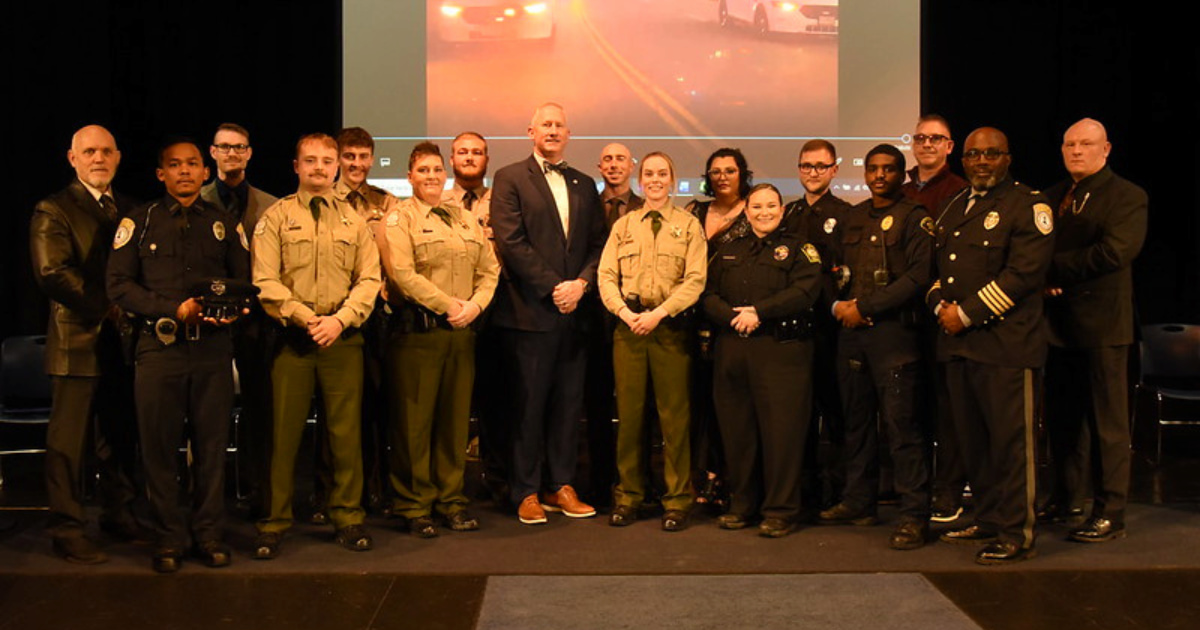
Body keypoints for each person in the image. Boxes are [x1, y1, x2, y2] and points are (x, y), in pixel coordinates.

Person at [106, 138, 249, 573]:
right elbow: (119, 285)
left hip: (211, 351)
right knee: (160, 450)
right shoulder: (139, 221)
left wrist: (233, 312)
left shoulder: (224, 224)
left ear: (205, 172)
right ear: (160, 174)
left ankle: (208, 534)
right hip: (160, 350)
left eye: (192, 165)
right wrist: (172, 309)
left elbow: (243, 282)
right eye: (174, 165)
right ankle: (169, 537)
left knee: (210, 449)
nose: (185, 171)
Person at [250, 133, 381, 558]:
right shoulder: (275, 218)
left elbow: (369, 279)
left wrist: (339, 320)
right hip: (294, 338)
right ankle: (274, 522)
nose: (320, 168)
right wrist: (307, 318)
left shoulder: (354, 222)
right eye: (311, 161)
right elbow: (265, 281)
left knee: (345, 435)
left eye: (328, 161)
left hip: (342, 339)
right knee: (284, 435)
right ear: (296, 166)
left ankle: (348, 517)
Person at [929, 127, 1054, 565]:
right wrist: (940, 306)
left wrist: (964, 314)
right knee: (973, 443)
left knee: (1009, 443)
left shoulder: (1029, 205)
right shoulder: (953, 206)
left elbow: (1023, 275)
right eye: (974, 155)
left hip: (1006, 346)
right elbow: (937, 270)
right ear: (963, 160)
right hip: (959, 347)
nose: (982, 162)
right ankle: (986, 517)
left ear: (1007, 158)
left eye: (991, 154)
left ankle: (1016, 531)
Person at [487, 102, 607, 525]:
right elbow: (510, 240)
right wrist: (553, 287)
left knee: (567, 405)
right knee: (527, 406)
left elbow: (597, 244)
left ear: (568, 134)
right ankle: (525, 490)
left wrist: (581, 285)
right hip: (529, 314)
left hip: (575, 314)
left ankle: (561, 485)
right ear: (530, 131)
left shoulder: (584, 183)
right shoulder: (510, 178)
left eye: (559, 125)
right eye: (546, 125)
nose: (553, 131)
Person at [31, 124, 143, 564]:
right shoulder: (53, 209)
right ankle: (67, 527)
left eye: (106, 151)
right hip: (76, 343)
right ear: (72, 158)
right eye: (89, 151)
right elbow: (52, 273)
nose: (99, 158)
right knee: (68, 444)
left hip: (121, 345)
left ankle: (119, 513)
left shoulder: (131, 208)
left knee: (119, 436)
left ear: (118, 157)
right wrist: (113, 306)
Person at [819, 144, 934, 550]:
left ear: (902, 174)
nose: (880, 175)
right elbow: (830, 269)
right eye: (873, 169)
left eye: (888, 169)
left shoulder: (915, 219)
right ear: (865, 173)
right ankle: (859, 500)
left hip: (895, 336)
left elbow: (919, 277)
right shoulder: (851, 216)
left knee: (903, 429)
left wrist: (865, 307)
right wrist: (837, 305)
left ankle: (913, 516)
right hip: (851, 334)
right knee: (856, 423)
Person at [383, 142, 500, 537]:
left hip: (460, 334)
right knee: (415, 425)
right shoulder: (400, 219)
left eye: (436, 170)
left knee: (453, 425)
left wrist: (475, 307)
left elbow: (489, 270)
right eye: (423, 170)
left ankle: (450, 500)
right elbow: (402, 273)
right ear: (410, 177)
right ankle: (414, 505)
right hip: (420, 335)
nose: (431, 176)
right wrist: (449, 304)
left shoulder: (464, 219)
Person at [1041, 118, 1147, 543]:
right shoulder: (1051, 196)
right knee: (1063, 420)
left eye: (1086, 144)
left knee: (1107, 425)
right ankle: (1067, 499)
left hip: (1103, 327)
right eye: (1069, 144)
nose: (1076, 151)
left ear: (1106, 150)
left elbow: (1115, 252)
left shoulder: (1127, 196)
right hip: (1056, 325)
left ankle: (1110, 511)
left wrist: (1051, 269)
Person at [704, 183, 822, 537]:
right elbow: (707, 293)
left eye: (771, 206)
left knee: (781, 435)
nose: (764, 212)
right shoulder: (728, 249)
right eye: (757, 206)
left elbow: (805, 291)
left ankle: (781, 510)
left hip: (781, 352)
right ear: (747, 210)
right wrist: (731, 316)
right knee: (738, 433)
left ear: (782, 210)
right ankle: (742, 505)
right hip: (733, 350)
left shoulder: (800, 249)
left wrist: (760, 312)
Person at [598, 152, 706, 531]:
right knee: (629, 419)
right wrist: (626, 315)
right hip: (629, 329)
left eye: (663, 173)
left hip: (669, 329)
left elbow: (695, 280)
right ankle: (629, 496)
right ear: (640, 180)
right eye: (649, 174)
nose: (656, 180)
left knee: (674, 420)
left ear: (673, 180)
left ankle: (677, 499)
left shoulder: (690, 225)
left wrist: (659, 314)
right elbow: (606, 276)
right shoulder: (624, 226)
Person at [200, 122, 279, 517]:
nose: (232, 154)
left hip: (257, 322)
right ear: (212, 153)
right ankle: (208, 496)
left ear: (249, 153)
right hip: (207, 320)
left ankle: (256, 491)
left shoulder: (271, 205)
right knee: (206, 410)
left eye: (240, 148)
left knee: (259, 410)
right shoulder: (193, 200)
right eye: (225, 147)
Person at [902, 114, 971, 524]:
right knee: (910, 409)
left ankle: (948, 490)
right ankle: (913, 485)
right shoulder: (901, 189)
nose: (926, 144)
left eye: (936, 139)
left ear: (949, 146)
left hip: (941, 314)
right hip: (901, 316)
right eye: (921, 137)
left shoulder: (960, 191)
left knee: (947, 409)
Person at [782, 139, 852, 515]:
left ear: (834, 170)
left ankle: (840, 491)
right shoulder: (786, 215)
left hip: (832, 330)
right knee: (798, 415)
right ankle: (803, 490)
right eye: (807, 166)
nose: (813, 172)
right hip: (792, 331)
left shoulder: (846, 215)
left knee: (837, 412)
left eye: (821, 166)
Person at [333, 126, 399, 517]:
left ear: (372, 159)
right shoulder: (326, 200)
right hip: (338, 315)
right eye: (349, 157)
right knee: (340, 411)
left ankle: (379, 489)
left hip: (378, 317)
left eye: (363, 157)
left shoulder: (387, 202)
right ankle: (337, 494)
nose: (357, 165)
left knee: (379, 407)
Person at [685, 147, 754, 509]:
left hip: (735, 319)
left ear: (743, 174)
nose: (722, 176)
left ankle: (730, 479)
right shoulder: (693, 211)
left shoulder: (755, 211)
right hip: (692, 317)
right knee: (697, 402)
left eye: (730, 170)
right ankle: (700, 478)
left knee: (731, 404)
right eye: (715, 171)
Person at [582, 142, 643, 507]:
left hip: (634, 318)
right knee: (597, 405)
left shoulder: (646, 208)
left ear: (632, 166)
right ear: (599, 166)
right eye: (608, 159)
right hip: (590, 320)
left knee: (636, 407)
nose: (614, 164)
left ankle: (636, 483)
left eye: (621, 158)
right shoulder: (585, 206)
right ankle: (600, 483)